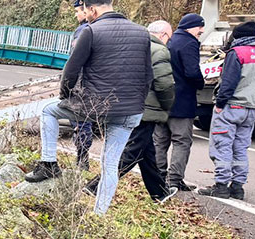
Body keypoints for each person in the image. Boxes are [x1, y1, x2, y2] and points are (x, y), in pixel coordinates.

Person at [24, 0, 152, 215]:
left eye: (86, 10)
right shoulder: (142, 33)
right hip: (130, 110)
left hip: (93, 107)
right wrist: (137, 103)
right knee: (110, 165)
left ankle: (49, 163)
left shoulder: (91, 31)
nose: (85, 14)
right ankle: (99, 214)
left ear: (93, 9)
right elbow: (148, 76)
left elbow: (71, 71)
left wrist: (66, 97)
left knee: (48, 109)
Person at [86, 20, 175, 202]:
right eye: (169, 38)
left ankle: (159, 193)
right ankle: (96, 186)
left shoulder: (131, 46)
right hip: (146, 109)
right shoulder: (159, 51)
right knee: (131, 152)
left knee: (146, 152)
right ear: (163, 35)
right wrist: (168, 105)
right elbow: (164, 84)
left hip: (124, 104)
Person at [198, 21, 255, 200]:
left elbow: (229, 82)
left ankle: (221, 186)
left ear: (238, 36)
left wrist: (220, 103)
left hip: (232, 106)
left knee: (223, 145)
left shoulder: (236, 53)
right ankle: (238, 187)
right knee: (240, 148)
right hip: (251, 108)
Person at [157, 13, 206, 191]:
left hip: (163, 100)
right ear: (192, 27)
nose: (201, 31)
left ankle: (158, 175)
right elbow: (192, 72)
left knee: (160, 140)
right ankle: (174, 179)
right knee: (181, 141)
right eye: (200, 28)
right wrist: (201, 83)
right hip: (182, 101)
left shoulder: (168, 41)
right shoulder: (189, 43)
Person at [70, 1, 96, 169]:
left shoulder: (83, 31)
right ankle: (82, 159)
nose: (76, 14)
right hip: (93, 84)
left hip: (81, 85)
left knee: (81, 122)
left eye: (79, 11)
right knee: (85, 122)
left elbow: (75, 60)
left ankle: (82, 160)